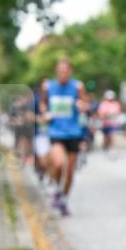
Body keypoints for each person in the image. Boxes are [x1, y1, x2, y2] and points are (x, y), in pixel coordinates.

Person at [41, 59, 88, 216]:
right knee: (59, 163)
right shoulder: (48, 87)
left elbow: (85, 104)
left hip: (74, 133)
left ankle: (63, 199)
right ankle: (54, 187)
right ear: (56, 72)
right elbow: (43, 103)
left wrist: (82, 106)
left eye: (65, 70)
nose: (63, 73)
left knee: (70, 173)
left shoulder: (77, 86)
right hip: (56, 132)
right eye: (60, 70)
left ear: (70, 72)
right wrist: (45, 113)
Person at [97, 90, 123, 155]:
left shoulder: (116, 104)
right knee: (106, 136)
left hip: (113, 123)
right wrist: (106, 114)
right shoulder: (103, 104)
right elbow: (101, 113)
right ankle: (105, 147)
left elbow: (118, 113)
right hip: (105, 123)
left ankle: (111, 148)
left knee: (112, 135)